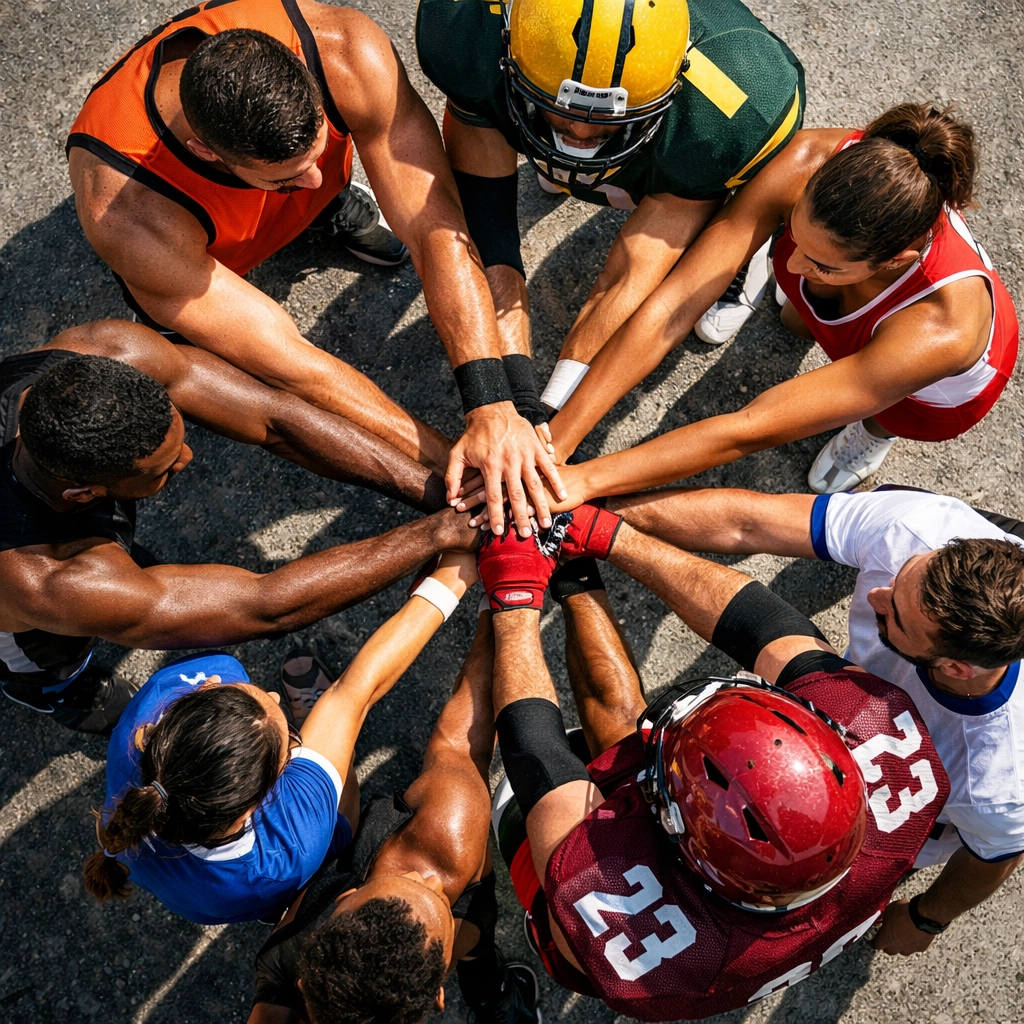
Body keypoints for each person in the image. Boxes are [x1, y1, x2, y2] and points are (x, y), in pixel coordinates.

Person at [68, 0, 564, 540]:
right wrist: (463, 466)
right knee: (236, 364)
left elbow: (435, 232)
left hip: (238, 179)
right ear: (203, 152)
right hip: (193, 246)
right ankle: (235, 259)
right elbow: (296, 364)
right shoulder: (128, 216)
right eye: (285, 179)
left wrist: (491, 403)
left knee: (334, 194)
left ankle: (324, 207)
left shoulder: (346, 50)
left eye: (317, 155)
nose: (306, 178)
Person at [477, 505, 950, 1016]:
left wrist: (513, 598)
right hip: (763, 916)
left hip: (648, 941)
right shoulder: (898, 772)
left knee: (527, 824)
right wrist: (600, 534)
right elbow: (766, 627)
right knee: (620, 730)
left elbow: (537, 755)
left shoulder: (624, 940)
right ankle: (574, 572)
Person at [0, 320, 477, 734]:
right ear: (82, 494)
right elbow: (264, 606)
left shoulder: (110, 352)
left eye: (179, 438)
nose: (187, 459)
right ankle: (56, 693)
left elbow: (276, 419)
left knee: (122, 585)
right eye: (162, 472)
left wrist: (451, 495)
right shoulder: (48, 579)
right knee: (51, 658)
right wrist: (440, 533)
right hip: (18, 622)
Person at [526, 102, 1018, 499]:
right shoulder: (809, 159)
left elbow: (751, 426)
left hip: (931, 391)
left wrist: (584, 480)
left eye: (823, 264)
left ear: (896, 259)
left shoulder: (943, 330)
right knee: (795, 313)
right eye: (794, 236)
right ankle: (819, 279)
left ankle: (873, 436)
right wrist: (557, 440)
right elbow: (673, 306)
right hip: (871, 302)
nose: (798, 267)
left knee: (881, 411)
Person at [610, 483, 1024, 954]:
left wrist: (926, 917)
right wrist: (587, 514)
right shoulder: (917, 529)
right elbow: (747, 522)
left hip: (885, 819)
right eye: (901, 577)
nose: (877, 597)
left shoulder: (999, 783)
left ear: (954, 668)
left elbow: (994, 857)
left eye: (897, 616)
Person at [415, 0, 805, 409]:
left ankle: (746, 244)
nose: (581, 132)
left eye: (602, 120)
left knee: (735, 177)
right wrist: (511, 385)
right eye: (565, 114)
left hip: (686, 141)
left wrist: (550, 410)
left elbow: (633, 269)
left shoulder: (732, 96)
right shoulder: (470, 26)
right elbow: (485, 209)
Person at [84, 552, 475, 925]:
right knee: (341, 814)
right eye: (289, 738)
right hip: (278, 875)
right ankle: (325, 753)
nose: (272, 695)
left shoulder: (146, 714)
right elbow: (354, 693)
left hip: (214, 896)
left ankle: (317, 746)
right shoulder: (288, 849)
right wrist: (455, 576)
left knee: (332, 737)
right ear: (255, 807)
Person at [249, 597, 541, 1024]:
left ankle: (325, 745)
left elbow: (463, 746)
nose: (425, 876)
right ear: (438, 995)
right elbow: (461, 748)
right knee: (476, 947)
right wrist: (507, 606)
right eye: (435, 895)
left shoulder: (280, 965)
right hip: (459, 921)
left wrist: (496, 606)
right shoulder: (448, 846)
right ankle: (493, 999)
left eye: (409, 879)